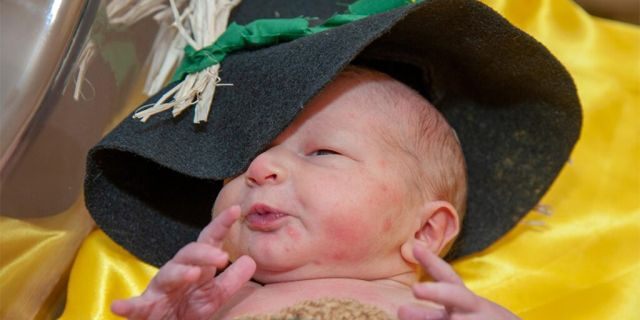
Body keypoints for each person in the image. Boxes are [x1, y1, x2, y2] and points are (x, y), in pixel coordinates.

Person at [109, 66, 519, 319]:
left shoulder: (436, 312)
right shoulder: (216, 304)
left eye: (323, 152)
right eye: (244, 160)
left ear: (426, 230)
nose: (259, 168)